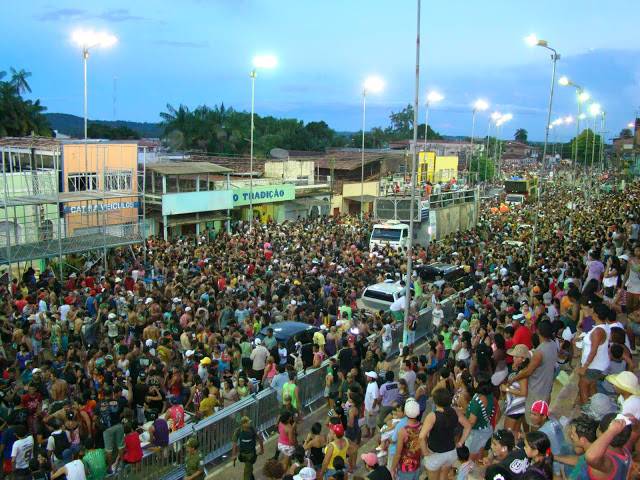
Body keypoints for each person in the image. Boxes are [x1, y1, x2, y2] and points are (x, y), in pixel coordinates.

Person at [508, 320, 557, 428]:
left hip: (536, 389)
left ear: (538, 331)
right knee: (541, 415)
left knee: (534, 420)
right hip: (546, 386)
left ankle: (535, 441)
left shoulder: (539, 351)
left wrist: (514, 378)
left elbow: (528, 371)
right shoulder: (553, 344)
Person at [420, 388, 471, 480]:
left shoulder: (432, 416)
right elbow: (468, 426)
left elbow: (421, 437)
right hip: (451, 453)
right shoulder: (455, 411)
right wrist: (460, 443)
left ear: (435, 402)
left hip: (435, 454)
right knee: (444, 477)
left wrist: (425, 452)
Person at [577, 302, 610, 405]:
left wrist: (584, 367)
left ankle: (587, 413)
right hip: (598, 364)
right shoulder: (604, 327)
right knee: (591, 386)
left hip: (593, 365)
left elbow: (593, 351)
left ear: (596, 314)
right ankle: (595, 409)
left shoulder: (597, 331)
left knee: (583, 386)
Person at [583, 414, 632, 480]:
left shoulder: (609, 462)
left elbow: (591, 457)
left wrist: (611, 431)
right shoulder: (625, 451)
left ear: (600, 433)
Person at [554, 415, 598, 480]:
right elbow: (580, 460)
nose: (571, 436)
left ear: (582, 440)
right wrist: (553, 457)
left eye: (573, 435)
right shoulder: (596, 450)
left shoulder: (584, 471)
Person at [464, 372, 494, 459]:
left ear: (477, 383)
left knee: (471, 455)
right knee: (480, 449)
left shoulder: (476, 401)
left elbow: (472, 421)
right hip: (486, 427)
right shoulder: (489, 394)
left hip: (476, 432)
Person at [390, 399, 422, 480]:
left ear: (405, 413)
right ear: (418, 412)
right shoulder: (422, 426)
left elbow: (398, 454)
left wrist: (392, 468)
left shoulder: (403, 431)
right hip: (417, 463)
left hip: (405, 466)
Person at [501, 344, 529, 437]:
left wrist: (507, 389)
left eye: (517, 357)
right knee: (515, 433)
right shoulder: (522, 370)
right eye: (514, 356)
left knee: (507, 433)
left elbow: (524, 392)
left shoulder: (522, 374)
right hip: (519, 406)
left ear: (523, 359)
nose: (514, 359)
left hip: (515, 407)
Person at [364, 372, 380, 438]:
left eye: (368, 376)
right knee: (367, 422)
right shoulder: (370, 383)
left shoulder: (374, 386)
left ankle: (372, 435)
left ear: (370, 378)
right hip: (367, 408)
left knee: (372, 423)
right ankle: (368, 433)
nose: (366, 377)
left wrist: (372, 410)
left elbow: (375, 399)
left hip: (371, 409)